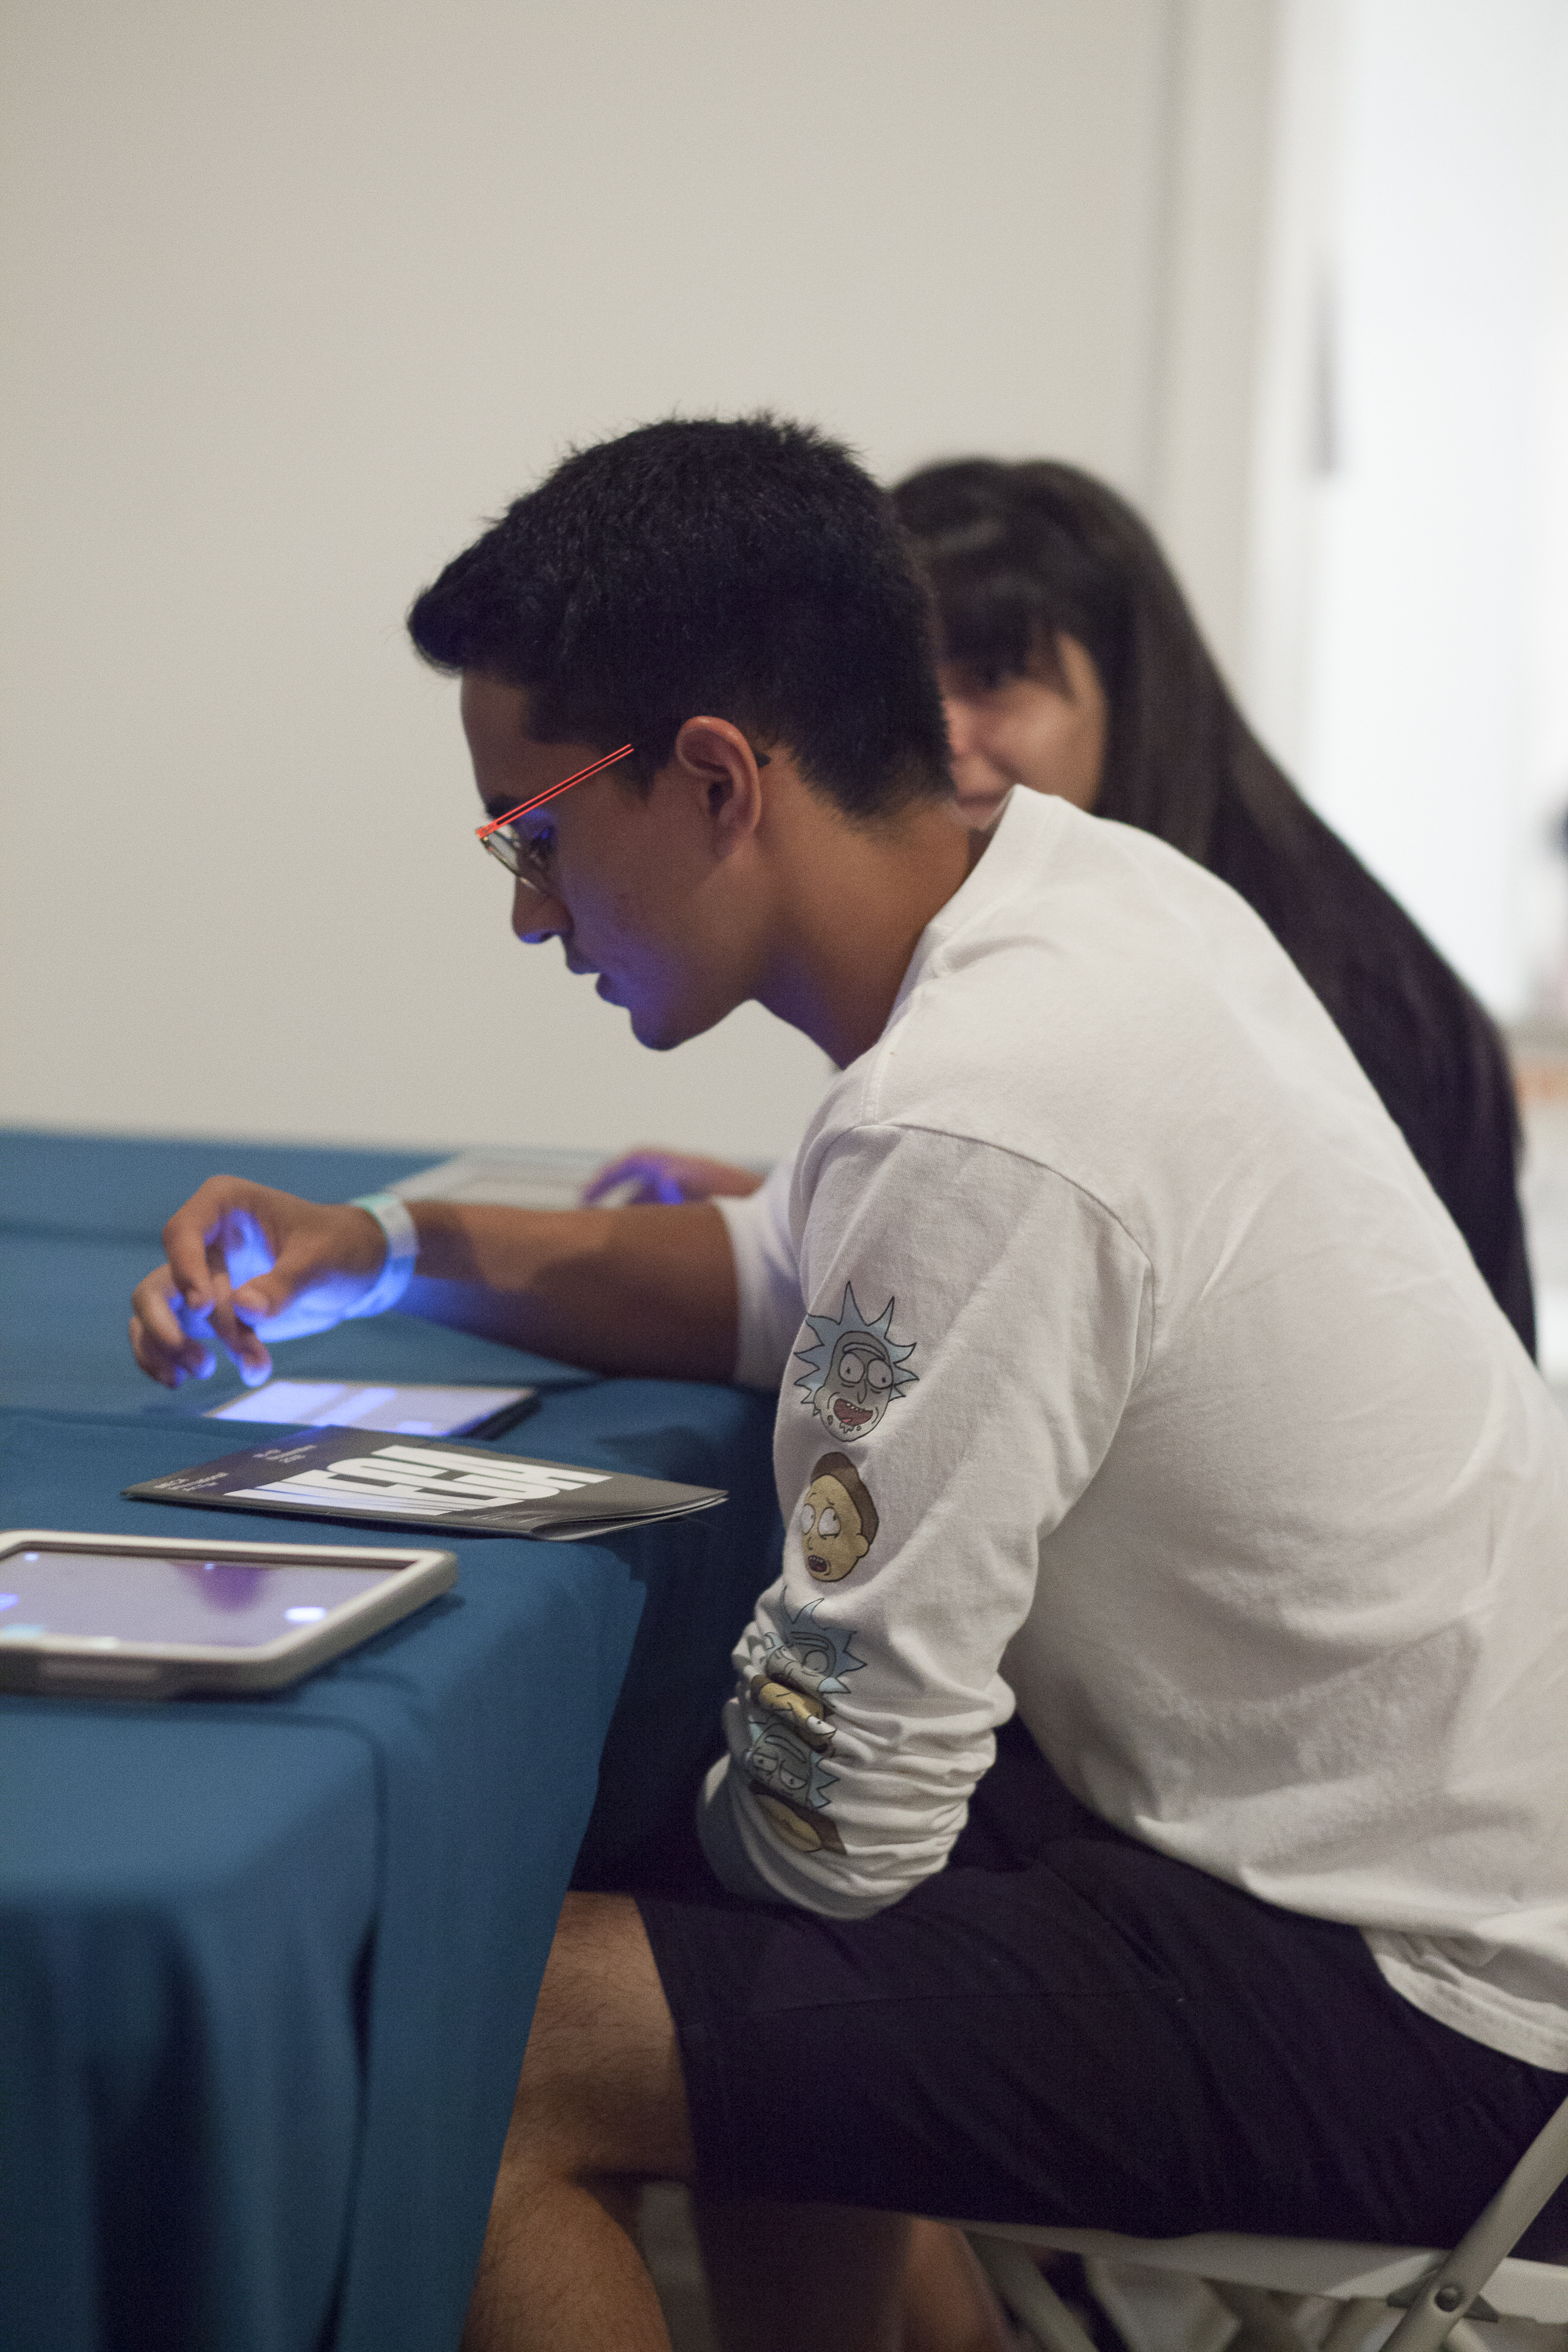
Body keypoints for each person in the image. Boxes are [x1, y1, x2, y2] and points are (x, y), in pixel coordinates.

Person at [128, 416, 1568, 2352]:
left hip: (1433, 2002)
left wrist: (613, 1833)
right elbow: (773, 1274)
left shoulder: (982, 1109)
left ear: (717, 777)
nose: (531, 911)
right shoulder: (1084, 896)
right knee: (710, 1921)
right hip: (1434, 1888)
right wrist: (380, 1244)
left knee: (476, 2037)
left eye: (532, 836)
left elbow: (842, 1834)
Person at [587, 458, 1537, 1358]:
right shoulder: (1092, 928)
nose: (936, 734)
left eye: (991, 681)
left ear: (1129, 694)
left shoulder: (1294, 977)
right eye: (904, 686)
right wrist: (818, 1214)